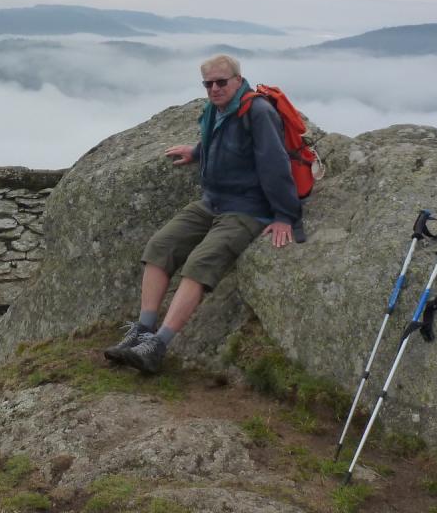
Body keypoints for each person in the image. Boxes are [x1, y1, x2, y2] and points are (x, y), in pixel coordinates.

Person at [105, 53, 305, 374]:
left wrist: (284, 216)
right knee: (160, 246)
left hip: (248, 208)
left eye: (221, 82)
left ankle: (157, 346)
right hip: (213, 201)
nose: (214, 89)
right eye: (208, 83)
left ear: (238, 81)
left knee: (200, 264)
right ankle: (142, 330)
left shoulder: (258, 112)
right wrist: (196, 151)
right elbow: (219, 143)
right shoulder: (217, 109)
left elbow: (275, 165)